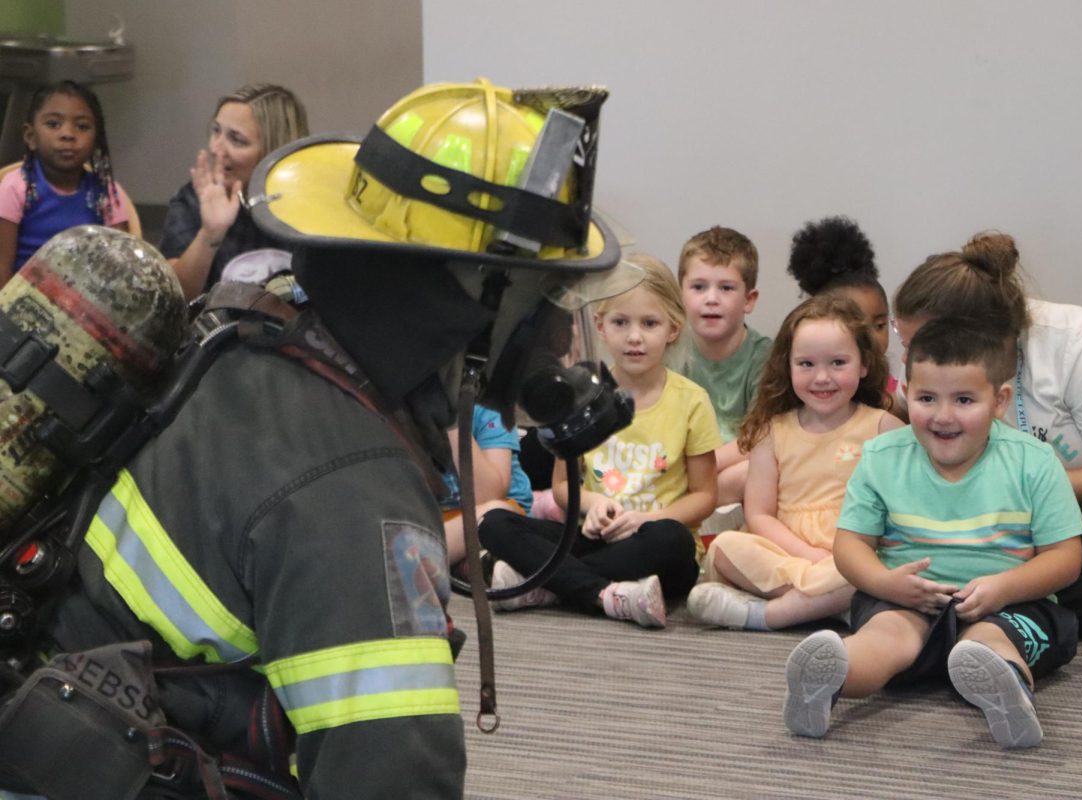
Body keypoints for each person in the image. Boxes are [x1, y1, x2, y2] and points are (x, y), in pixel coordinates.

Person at [0, 78, 626, 798]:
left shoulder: (262, 329)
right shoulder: (351, 492)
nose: (552, 332)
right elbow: (393, 775)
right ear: (465, 292)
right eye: (537, 294)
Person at [891, 232, 1082, 655]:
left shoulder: (1076, 341)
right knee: (978, 578)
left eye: (916, 344)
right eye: (902, 341)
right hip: (1006, 540)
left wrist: (1028, 488)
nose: (908, 356)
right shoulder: (925, 365)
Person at [784, 318, 1082, 749]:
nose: (943, 416)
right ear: (907, 393)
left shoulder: (1034, 462)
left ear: (999, 400)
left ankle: (1007, 690)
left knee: (988, 641)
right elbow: (850, 544)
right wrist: (885, 582)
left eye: (964, 399)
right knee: (885, 637)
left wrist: (1004, 587)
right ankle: (828, 679)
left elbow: (1065, 557)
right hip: (907, 600)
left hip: (1010, 603)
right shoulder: (882, 456)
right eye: (927, 398)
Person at [478, 254, 720, 628]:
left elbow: (705, 496)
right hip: (594, 538)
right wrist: (593, 505)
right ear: (600, 325)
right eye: (621, 322)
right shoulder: (578, 392)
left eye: (650, 323)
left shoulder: (692, 400)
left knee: (673, 539)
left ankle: (545, 585)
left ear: (673, 329)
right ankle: (599, 593)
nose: (634, 336)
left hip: (653, 544)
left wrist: (644, 519)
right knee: (492, 522)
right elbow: (561, 486)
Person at [687, 295, 903, 630]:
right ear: (787, 366)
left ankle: (766, 615)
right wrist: (808, 555)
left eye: (837, 363)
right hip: (785, 548)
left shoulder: (883, 427)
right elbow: (759, 514)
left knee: (876, 566)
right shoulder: (771, 431)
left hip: (854, 550)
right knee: (727, 547)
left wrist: (846, 557)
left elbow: (899, 511)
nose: (821, 378)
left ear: (863, 365)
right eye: (806, 364)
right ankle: (834, 604)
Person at [160, 84, 308, 301]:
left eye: (236, 140)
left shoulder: (309, 205)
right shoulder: (194, 199)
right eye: (216, 131)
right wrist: (210, 233)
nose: (216, 149)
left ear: (274, 149)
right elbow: (174, 299)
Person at [677, 226, 772, 505]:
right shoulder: (669, 350)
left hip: (728, 468)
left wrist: (701, 466)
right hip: (676, 467)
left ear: (749, 300)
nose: (711, 298)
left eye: (726, 288)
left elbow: (762, 439)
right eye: (698, 287)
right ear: (680, 293)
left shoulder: (765, 357)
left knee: (752, 473)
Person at [0, 80, 128, 285]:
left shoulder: (106, 193)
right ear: (30, 136)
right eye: (53, 124)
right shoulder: (16, 187)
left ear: (96, 141)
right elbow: (2, 267)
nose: (68, 134)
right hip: (22, 307)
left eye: (82, 126)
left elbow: (121, 269)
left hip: (87, 307)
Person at [787, 215, 904, 415]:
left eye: (879, 325)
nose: (872, 338)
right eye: (858, 327)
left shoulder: (899, 395)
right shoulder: (809, 393)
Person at [443, 404, 534, 566]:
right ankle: (476, 566)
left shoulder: (489, 406)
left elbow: (488, 496)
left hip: (496, 514)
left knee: (494, 514)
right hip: (440, 524)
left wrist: (451, 421)